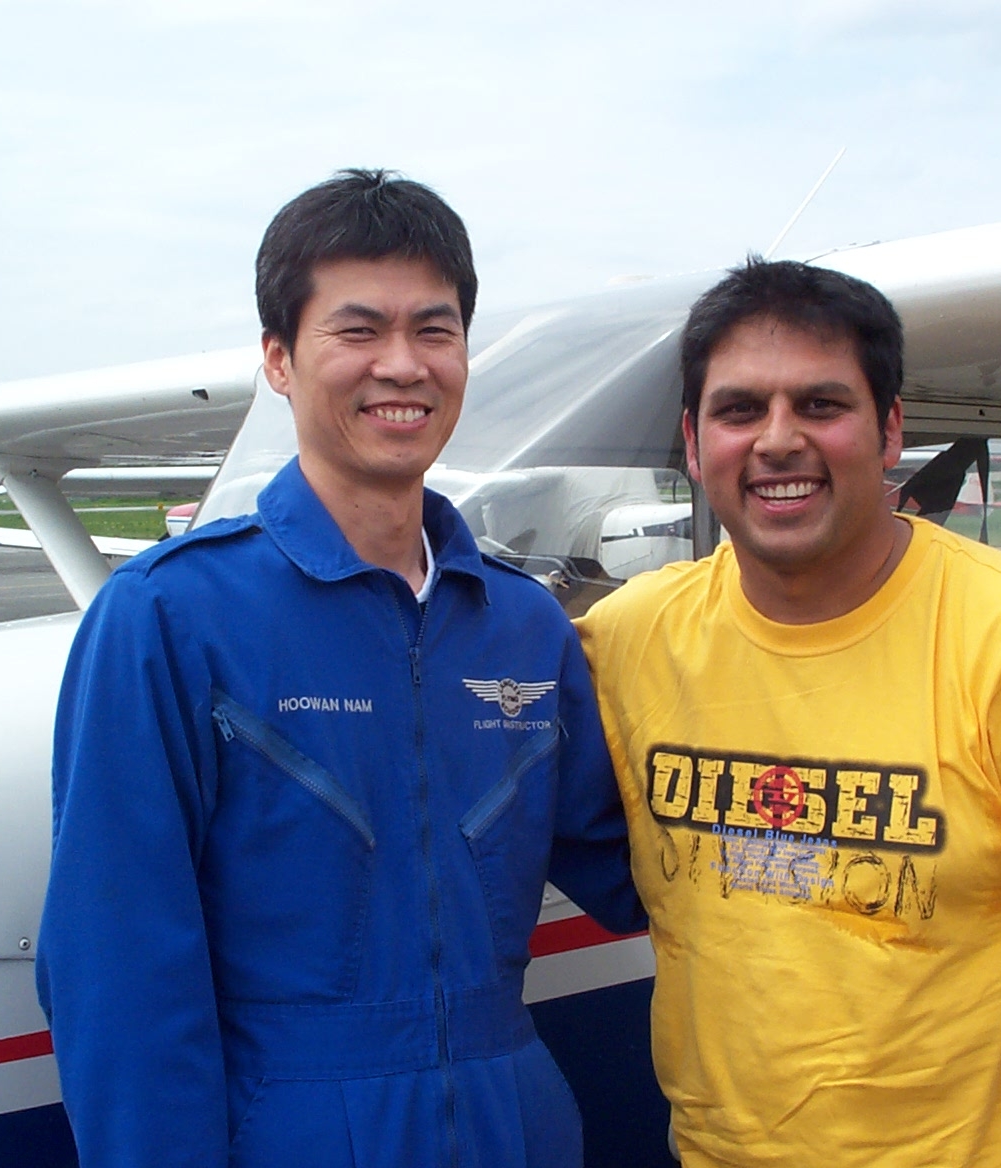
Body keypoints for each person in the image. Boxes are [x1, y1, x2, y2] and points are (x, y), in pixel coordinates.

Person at [37, 169, 642, 1168]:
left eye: (433, 330)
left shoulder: (523, 626)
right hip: (291, 1128)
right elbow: (118, 976)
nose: (401, 365)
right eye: (357, 331)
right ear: (278, 358)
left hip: (515, 1119)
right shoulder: (166, 619)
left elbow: (647, 872)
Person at [576, 258, 1001, 1168]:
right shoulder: (628, 638)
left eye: (821, 406)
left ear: (891, 429)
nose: (778, 441)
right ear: (693, 436)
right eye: (740, 409)